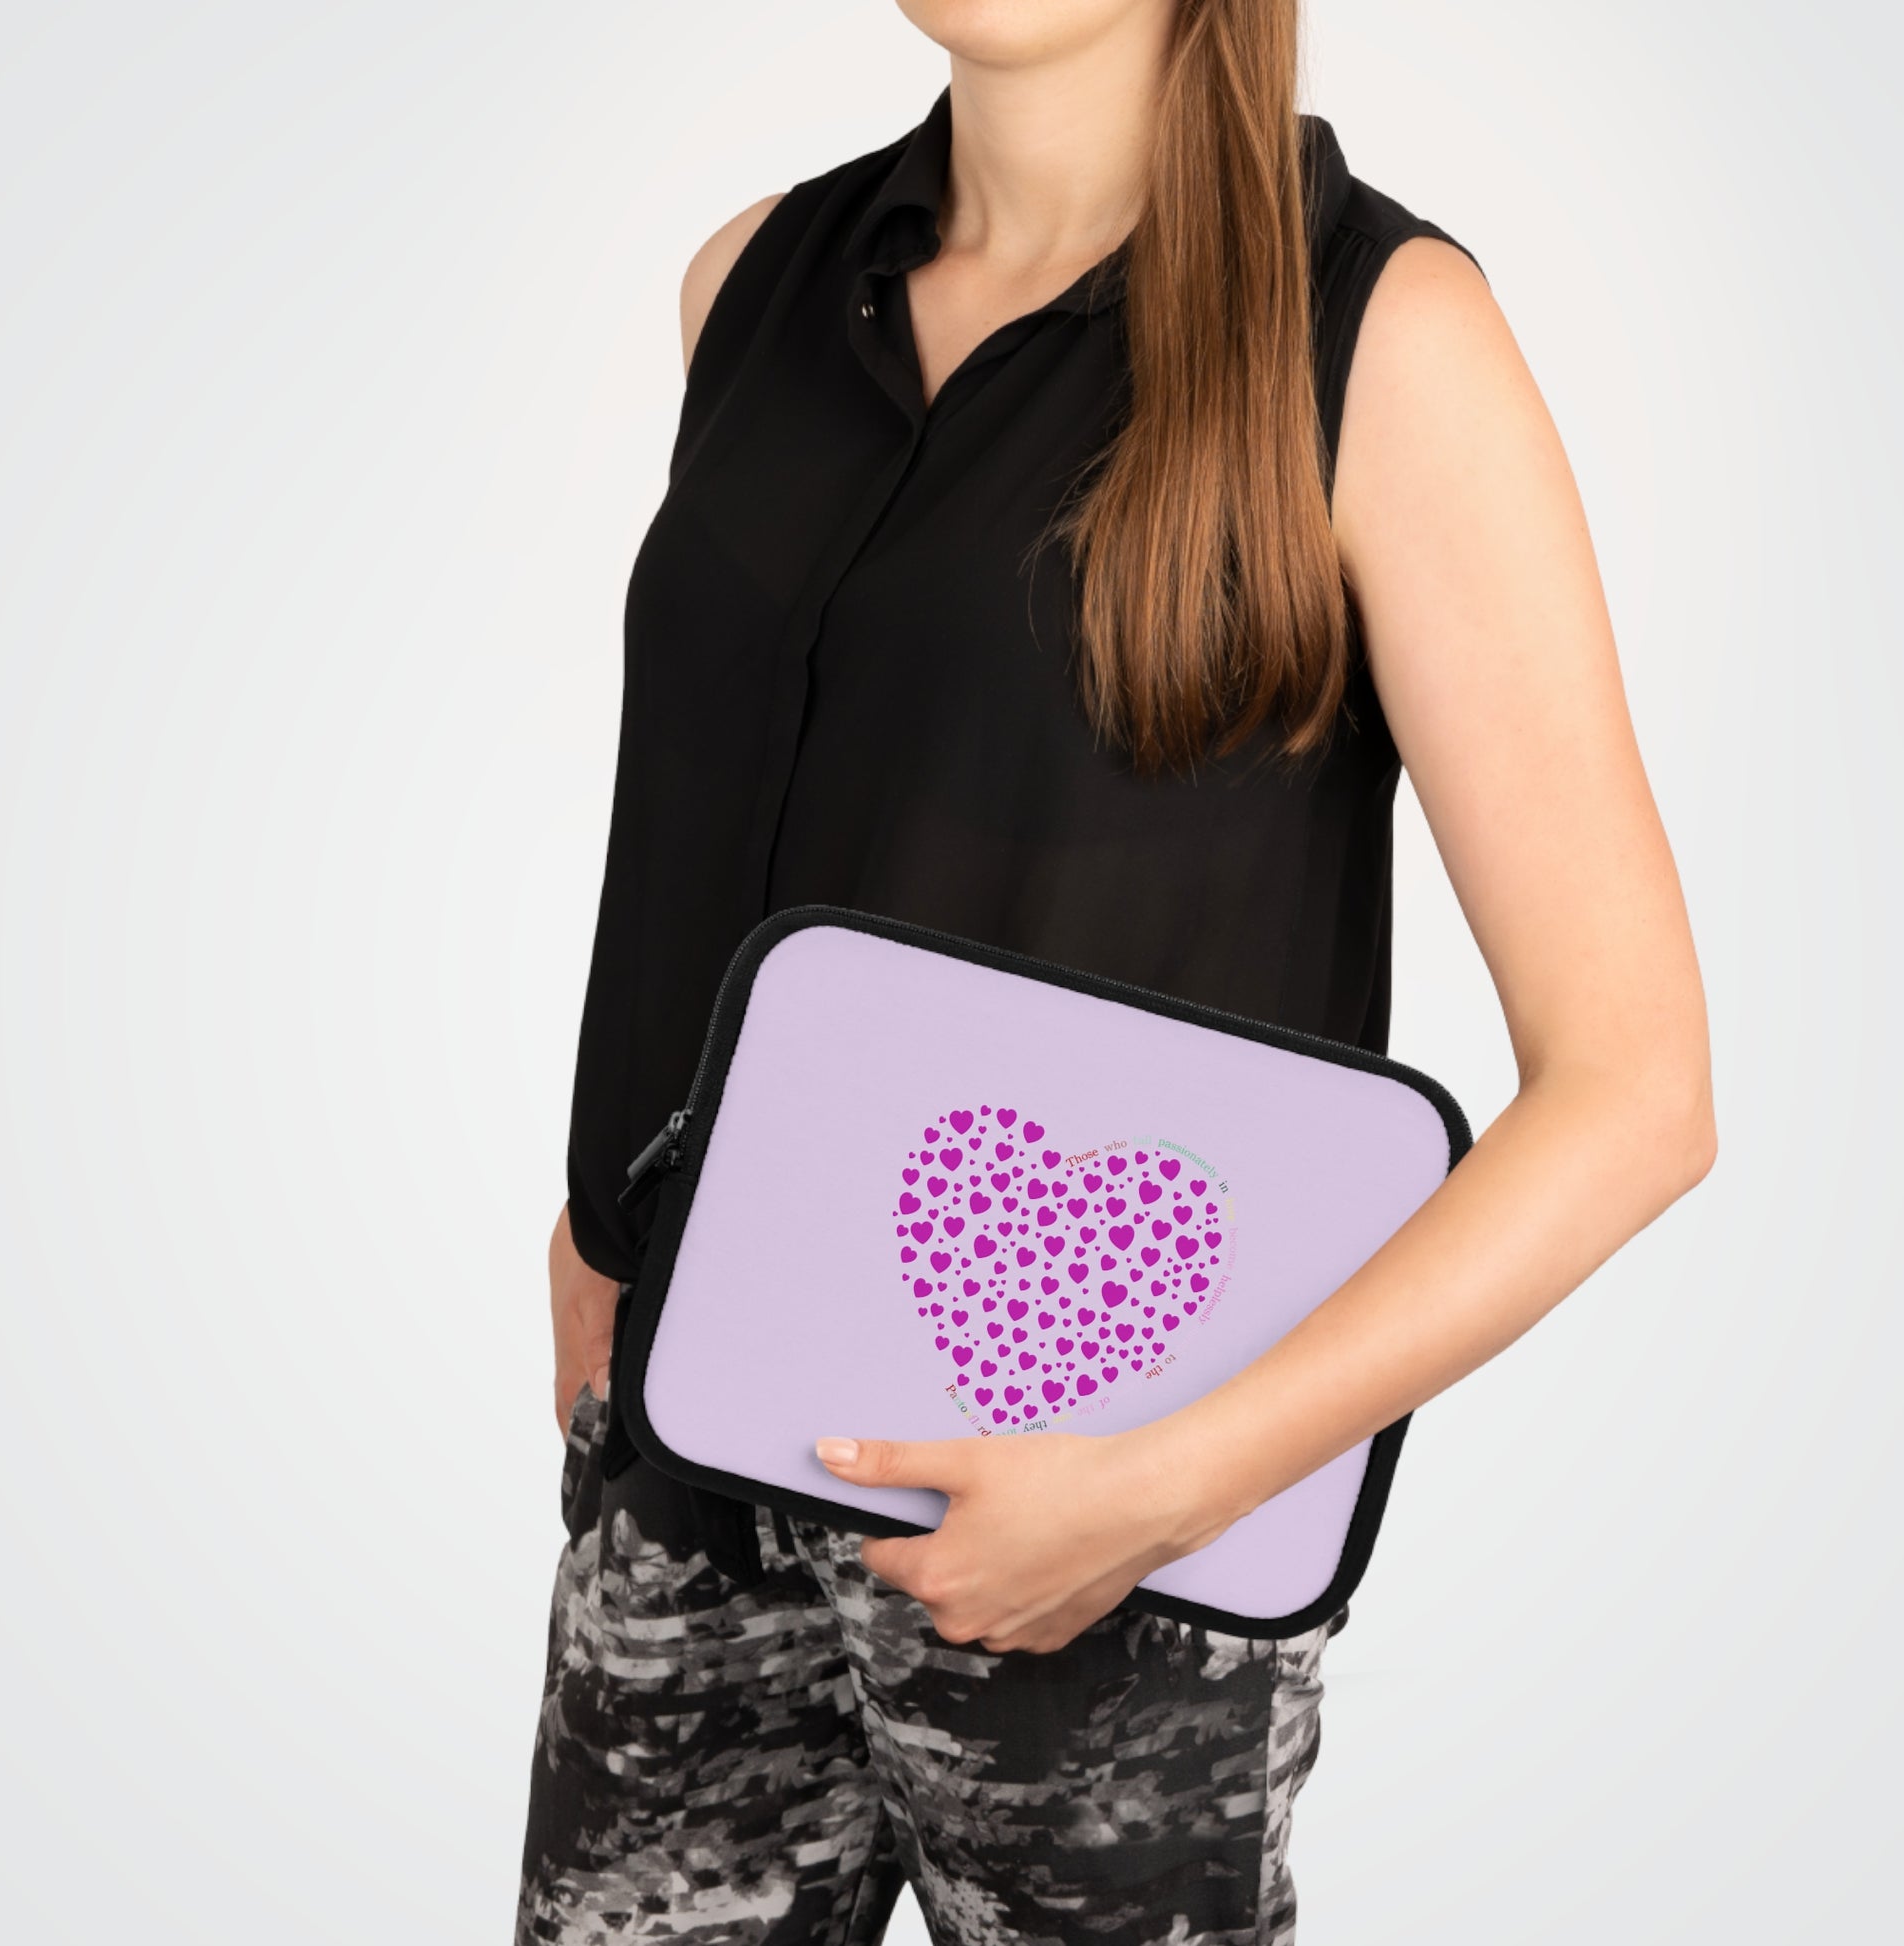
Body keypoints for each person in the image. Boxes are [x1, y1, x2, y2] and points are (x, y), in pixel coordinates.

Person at [517, 2, 1716, 1940]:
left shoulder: (1383, 339)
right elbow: (749, 807)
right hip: (691, 1452)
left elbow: (1636, 1088)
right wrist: (599, 1213)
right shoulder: (747, 283)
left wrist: (1165, 1488)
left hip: (1106, 1541)